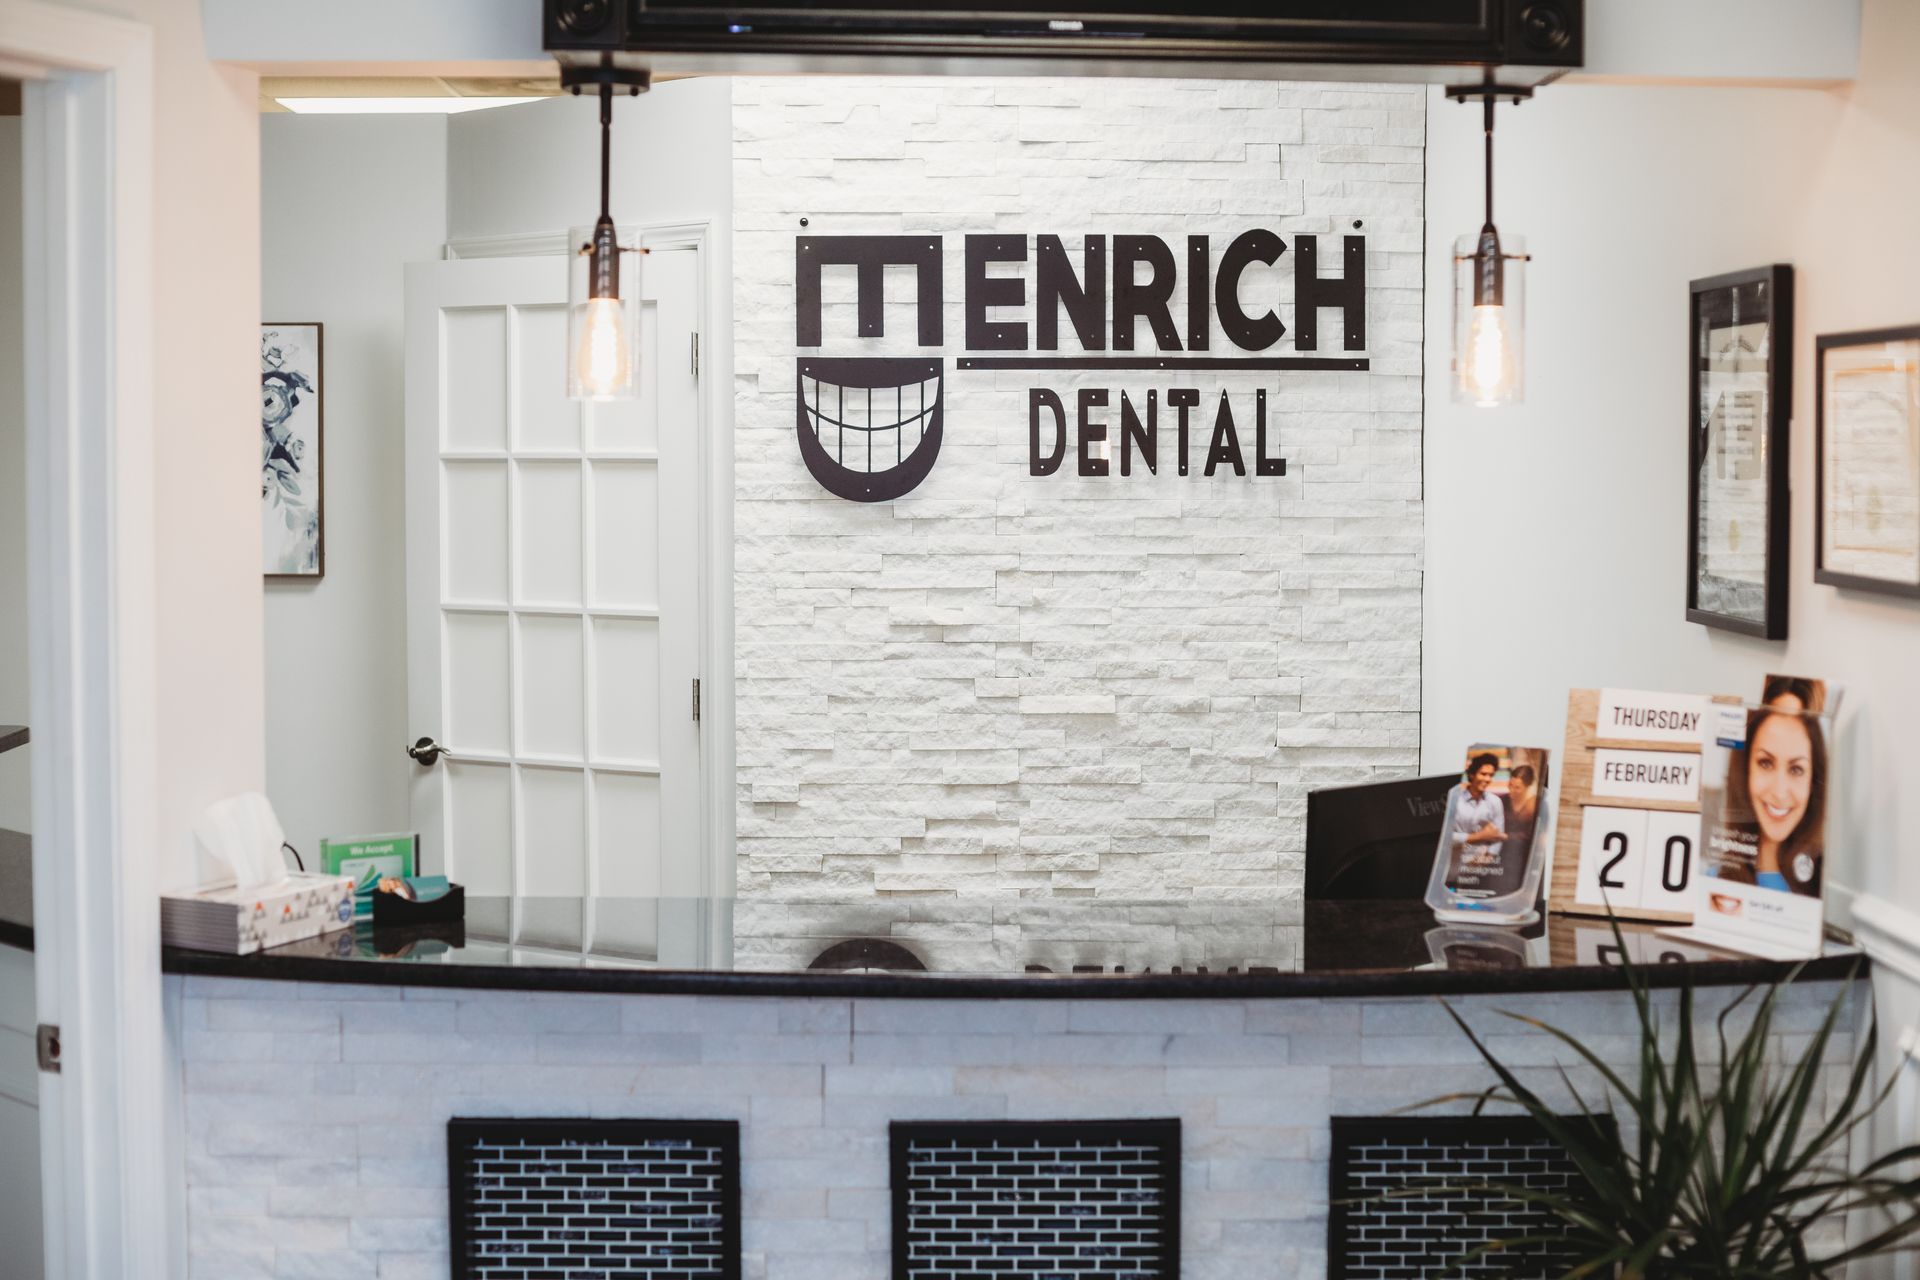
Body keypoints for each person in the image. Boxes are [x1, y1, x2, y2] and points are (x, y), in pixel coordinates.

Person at [1710, 707, 1826, 896]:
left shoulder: (1820, 886)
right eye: (1765, 763)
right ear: (1745, 772)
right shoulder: (1715, 881)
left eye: (1796, 769)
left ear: (1813, 781)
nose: (1780, 793)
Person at [1450, 753, 1508, 871]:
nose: (1487, 779)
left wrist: (1486, 860)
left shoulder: (1495, 802)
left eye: (1491, 775)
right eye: (1483, 774)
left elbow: (1498, 836)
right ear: (1472, 774)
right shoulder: (1454, 799)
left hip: (1480, 866)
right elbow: (1446, 837)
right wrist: (1478, 837)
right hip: (1452, 863)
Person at [1502, 763, 1539, 863]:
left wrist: (1506, 836)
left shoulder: (1535, 804)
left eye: (1517, 788)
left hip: (1524, 855)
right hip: (1501, 852)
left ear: (1528, 786)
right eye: (1510, 785)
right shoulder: (1502, 800)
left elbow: (1535, 835)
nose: (1511, 790)